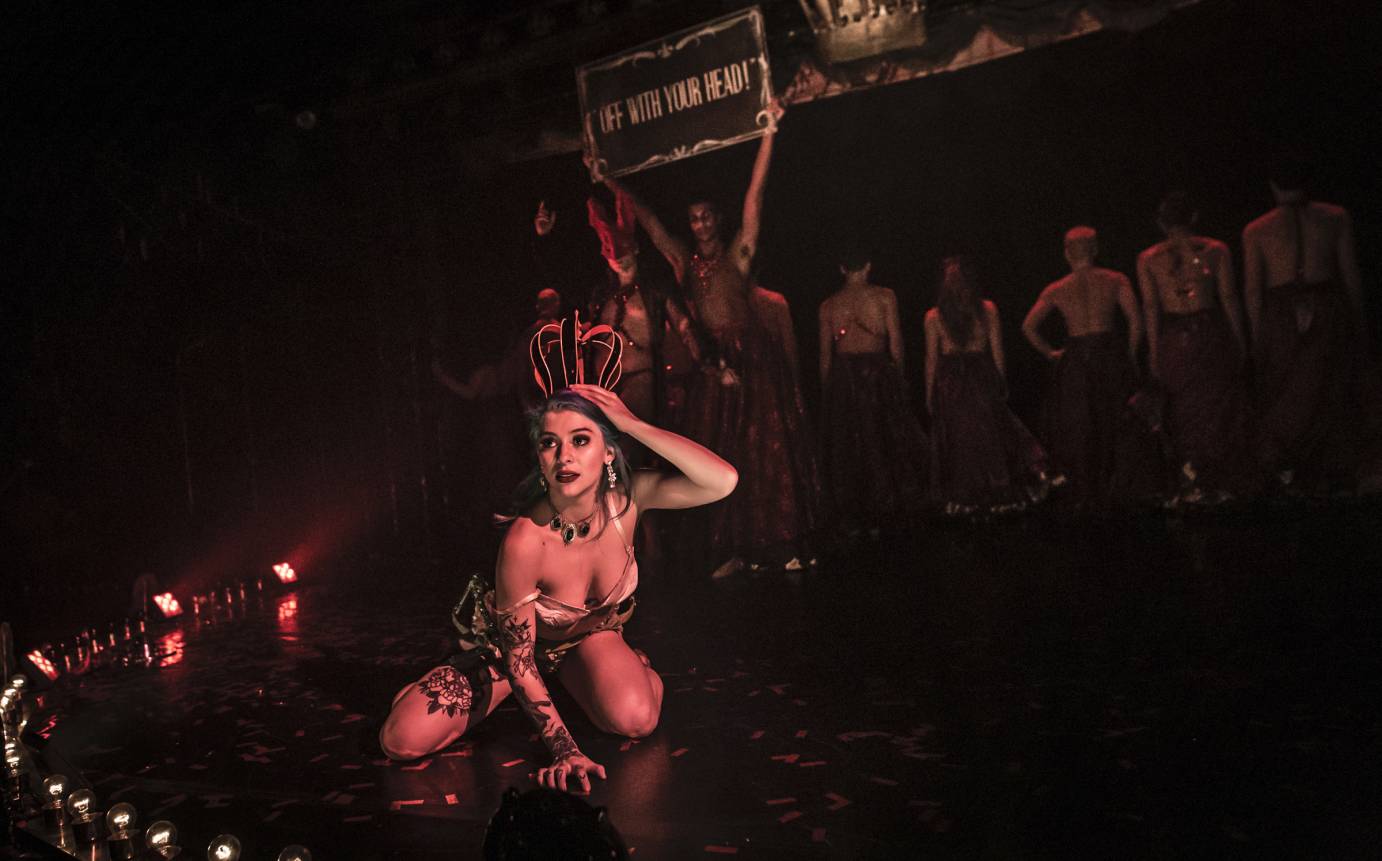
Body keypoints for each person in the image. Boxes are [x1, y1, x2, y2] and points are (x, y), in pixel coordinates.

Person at [379, 323, 737, 794]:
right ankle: (451, 679)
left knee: (637, 719)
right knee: (400, 741)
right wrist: (565, 749)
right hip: (513, 655)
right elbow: (521, 660)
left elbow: (722, 481)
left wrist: (632, 424)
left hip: (589, 641)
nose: (563, 455)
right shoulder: (526, 539)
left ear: (608, 452)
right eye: (550, 443)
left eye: (581, 440)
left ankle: (614, 667)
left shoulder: (628, 501)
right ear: (540, 456)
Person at [604, 102, 822, 575]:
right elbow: (651, 225)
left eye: (706, 217)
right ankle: (734, 549)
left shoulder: (738, 256)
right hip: (712, 363)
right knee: (718, 456)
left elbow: (755, 197)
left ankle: (781, 545)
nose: (700, 224)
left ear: (716, 221)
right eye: (694, 219)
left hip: (751, 362)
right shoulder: (684, 264)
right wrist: (609, 180)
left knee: (765, 452)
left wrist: (768, 134)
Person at [1243, 161, 1366, 492]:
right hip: (1325, 304)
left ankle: (1290, 472)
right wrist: (1358, 322)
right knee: (1325, 388)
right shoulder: (1335, 217)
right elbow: (1350, 276)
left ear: (1273, 185)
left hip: (1281, 312)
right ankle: (1326, 474)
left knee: (1288, 393)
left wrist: (1257, 337)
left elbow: (1253, 291)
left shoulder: (1256, 230)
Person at [1023, 226, 1161, 506]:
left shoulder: (1057, 288)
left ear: (1066, 253)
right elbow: (1136, 320)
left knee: (1080, 425)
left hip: (1075, 357)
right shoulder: (1114, 280)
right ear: (1095, 249)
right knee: (1115, 420)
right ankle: (1118, 488)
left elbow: (1028, 327)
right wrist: (1131, 353)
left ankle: (1087, 491)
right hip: (1108, 352)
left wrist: (1050, 353)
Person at [1137, 192, 1257, 500]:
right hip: (1209, 331)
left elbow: (1151, 308)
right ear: (1193, 217)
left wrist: (1152, 352)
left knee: (1184, 406)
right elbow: (1229, 298)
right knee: (1215, 403)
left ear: (1161, 223)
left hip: (1175, 336)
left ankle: (1193, 478)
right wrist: (1241, 340)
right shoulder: (1215, 250)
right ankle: (1217, 479)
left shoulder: (1148, 258)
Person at [926, 256, 1048, 509]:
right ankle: (992, 491)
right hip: (979, 374)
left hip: (953, 381)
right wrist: (1000, 381)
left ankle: (968, 497)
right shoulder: (987, 309)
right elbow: (997, 351)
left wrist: (931, 393)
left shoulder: (934, 316)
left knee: (962, 438)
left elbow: (931, 360)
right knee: (988, 434)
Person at [818, 245, 926, 528]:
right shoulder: (884, 297)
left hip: (845, 378)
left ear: (842, 269)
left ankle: (856, 505)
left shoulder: (829, 305)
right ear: (868, 267)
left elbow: (825, 357)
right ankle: (886, 502)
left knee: (851, 442)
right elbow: (896, 342)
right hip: (876, 374)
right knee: (883, 437)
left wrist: (827, 391)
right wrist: (899, 376)